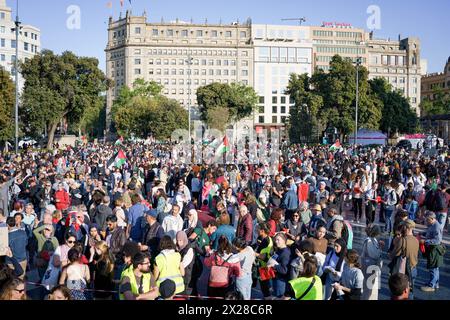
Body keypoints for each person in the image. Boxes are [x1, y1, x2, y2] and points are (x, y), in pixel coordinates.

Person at [389, 220, 419, 297]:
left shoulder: (403, 240)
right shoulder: (416, 240)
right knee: (410, 291)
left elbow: (393, 255)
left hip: (404, 271)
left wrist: (396, 242)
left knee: (399, 292)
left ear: (406, 227)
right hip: (413, 268)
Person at [420, 212, 444, 292]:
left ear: (432, 218)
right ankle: (435, 283)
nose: (426, 222)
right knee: (435, 268)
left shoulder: (437, 226)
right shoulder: (432, 224)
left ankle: (431, 286)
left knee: (433, 267)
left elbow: (437, 240)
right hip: (433, 249)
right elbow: (429, 232)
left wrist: (425, 241)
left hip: (435, 249)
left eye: (427, 220)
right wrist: (422, 233)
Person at [361, 224, 384, 300]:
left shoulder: (373, 240)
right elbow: (373, 254)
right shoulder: (369, 241)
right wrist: (380, 249)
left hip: (371, 266)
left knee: (371, 287)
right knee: (368, 288)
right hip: (369, 266)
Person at [266, 233, 291, 298]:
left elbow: (284, 270)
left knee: (279, 297)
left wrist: (274, 265)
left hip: (280, 281)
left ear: (284, 240)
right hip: (275, 278)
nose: (276, 241)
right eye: (275, 240)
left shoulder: (285, 253)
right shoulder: (279, 250)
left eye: (278, 240)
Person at [176, 231, 195, 296]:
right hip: (180, 276)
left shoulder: (189, 249)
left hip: (187, 276)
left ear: (184, 239)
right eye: (177, 240)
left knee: (185, 294)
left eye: (180, 240)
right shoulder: (178, 248)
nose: (179, 242)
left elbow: (184, 264)